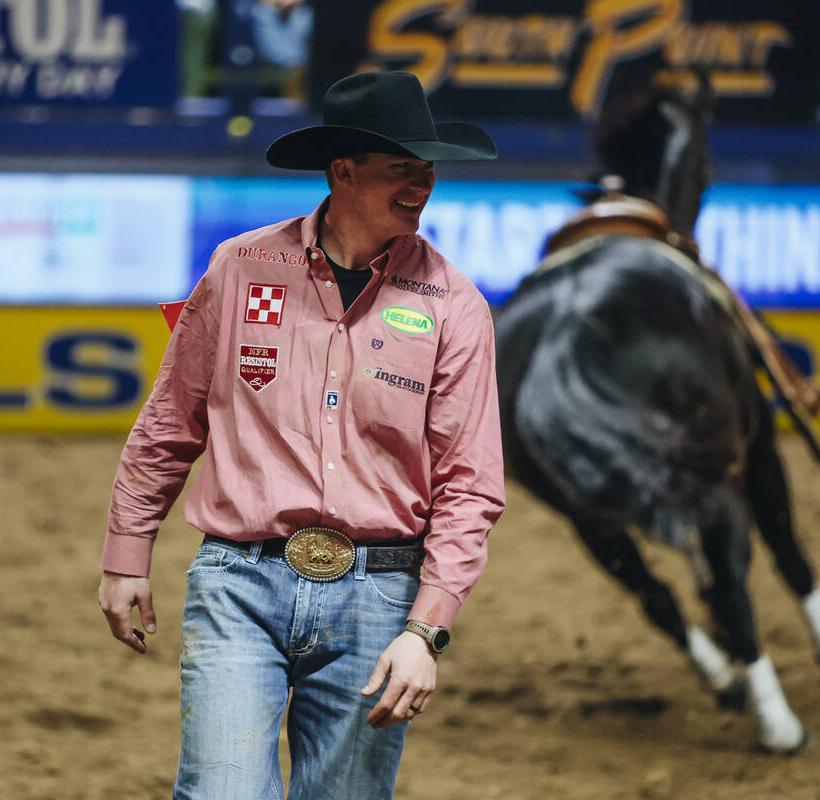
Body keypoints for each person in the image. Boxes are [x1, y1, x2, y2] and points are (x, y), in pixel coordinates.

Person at [97, 71, 505, 800]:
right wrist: (127, 554)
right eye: (401, 168)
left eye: (428, 168)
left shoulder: (457, 307)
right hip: (238, 581)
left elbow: (470, 485)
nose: (423, 184)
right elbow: (170, 419)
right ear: (342, 171)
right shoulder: (240, 267)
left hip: (381, 597)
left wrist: (426, 632)